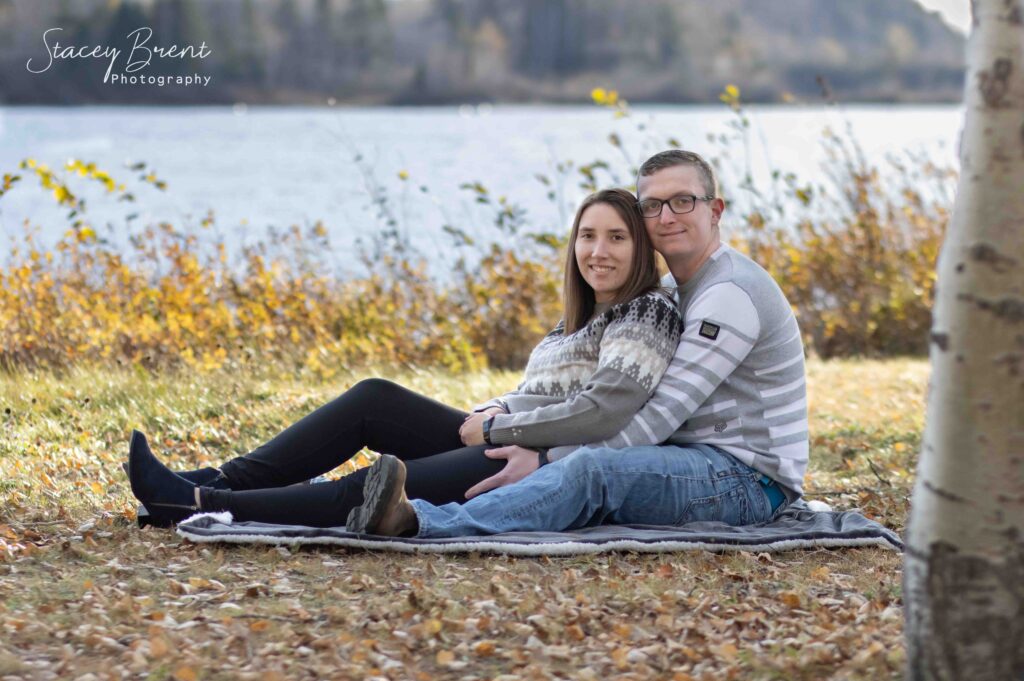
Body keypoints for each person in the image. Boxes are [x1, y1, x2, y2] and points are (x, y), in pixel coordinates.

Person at [126, 188, 683, 528]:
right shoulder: (580, 317)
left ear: (640, 249)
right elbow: (543, 391)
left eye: (616, 238)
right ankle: (221, 479)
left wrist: (496, 429)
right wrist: (493, 414)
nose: (597, 251)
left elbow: (604, 412)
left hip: (533, 466)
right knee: (374, 398)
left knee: (381, 483)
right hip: (507, 439)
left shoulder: (648, 313)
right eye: (587, 236)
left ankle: (206, 503)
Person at [346, 149, 809, 538]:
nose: (666, 216)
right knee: (582, 462)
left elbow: (654, 421)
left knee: (592, 470)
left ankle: (421, 525)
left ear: (715, 210)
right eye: (652, 205)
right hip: (691, 459)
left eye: (683, 201)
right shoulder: (677, 289)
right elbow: (594, 394)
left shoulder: (729, 294)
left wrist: (547, 458)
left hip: (748, 481)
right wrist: (503, 410)